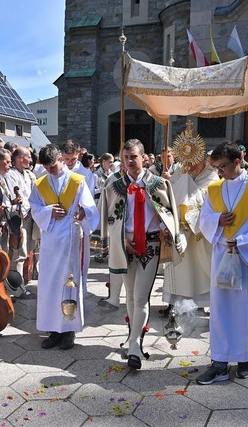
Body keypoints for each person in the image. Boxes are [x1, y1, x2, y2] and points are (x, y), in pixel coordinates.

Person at [197, 141, 248, 384]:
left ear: (237, 161)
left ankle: (243, 357)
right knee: (220, 310)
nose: (219, 172)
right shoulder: (214, 189)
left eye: (222, 166)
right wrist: (217, 221)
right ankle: (220, 362)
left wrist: (243, 241)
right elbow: (204, 219)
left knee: (243, 308)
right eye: (216, 167)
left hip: (244, 256)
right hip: (222, 254)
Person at [98, 139, 182, 369]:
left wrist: (168, 229)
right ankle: (132, 337)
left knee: (142, 296)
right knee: (131, 296)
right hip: (126, 245)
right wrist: (118, 238)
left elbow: (169, 213)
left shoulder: (159, 183)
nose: (128, 162)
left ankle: (135, 346)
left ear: (143, 158)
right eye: (125, 158)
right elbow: (107, 216)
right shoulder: (113, 183)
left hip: (151, 245)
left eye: (133, 157)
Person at [29, 145, 99, 350]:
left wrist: (83, 214)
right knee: (49, 284)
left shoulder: (77, 181)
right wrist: (49, 211)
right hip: (50, 237)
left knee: (69, 282)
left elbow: (90, 208)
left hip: (69, 235)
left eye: (52, 166)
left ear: (60, 158)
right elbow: (35, 207)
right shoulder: (40, 183)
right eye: (46, 168)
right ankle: (52, 329)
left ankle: (68, 331)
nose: (50, 171)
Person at [162, 139, 218, 315]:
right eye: (187, 162)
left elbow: (207, 196)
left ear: (203, 160)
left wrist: (185, 185)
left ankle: (199, 302)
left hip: (200, 233)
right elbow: (170, 193)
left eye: (194, 163)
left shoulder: (211, 175)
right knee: (178, 267)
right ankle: (174, 304)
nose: (190, 167)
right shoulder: (180, 172)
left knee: (198, 269)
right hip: (180, 231)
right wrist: (171, 182)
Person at [6, 147, 37, 287]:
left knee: (31, 248)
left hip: (31, 215)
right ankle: (17, 287)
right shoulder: (10, 175)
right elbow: (15, 197)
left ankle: (25, 280)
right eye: (28, 156)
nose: (30, 160)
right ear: (19, 158)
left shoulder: (30, 174)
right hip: (20, 216)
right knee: (19, 252)